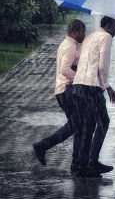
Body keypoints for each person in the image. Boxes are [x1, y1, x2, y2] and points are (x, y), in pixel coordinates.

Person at [33, 19, 86, 172]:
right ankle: (43, 145)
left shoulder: (71, 44)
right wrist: (79, 77)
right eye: (83, 31)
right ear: (75, 31)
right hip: (66, 90)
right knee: (76, 124)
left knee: (78, 125)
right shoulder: (69, 46)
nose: (84, 34)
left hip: (66, 90)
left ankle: (77, 162)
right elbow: (64, 69)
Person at [72, 16, 115, 176]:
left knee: (89, 124)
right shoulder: (106, 37)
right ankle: (92, 162)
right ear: (109, 25)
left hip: (78, 85)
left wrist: (107, 86)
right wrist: (106, 86)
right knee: (103, 121)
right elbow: (103, 66)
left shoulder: (90, 36)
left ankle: (81, 163)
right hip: (91, 86)